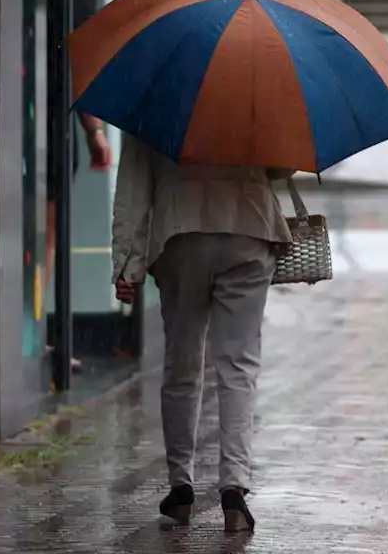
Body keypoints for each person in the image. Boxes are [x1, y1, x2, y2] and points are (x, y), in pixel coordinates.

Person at [111, 133, 293, 532]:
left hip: (181, 233)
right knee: (238, 365)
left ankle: (181, 486)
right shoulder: (256, 82)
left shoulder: (152, 87)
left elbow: (134, 184)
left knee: (183, 361)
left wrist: (128, 261)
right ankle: (234, 487)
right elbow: (281, 165)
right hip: (249, 227)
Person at [45, 0, 113, 371]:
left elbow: (78, 70)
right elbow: (77, 68)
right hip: (41, 129)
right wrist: (94, 131)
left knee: (46, 236)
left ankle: (43, 336)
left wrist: (90, 130)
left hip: (56, 130)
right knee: (40, 235)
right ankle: (41, 339)